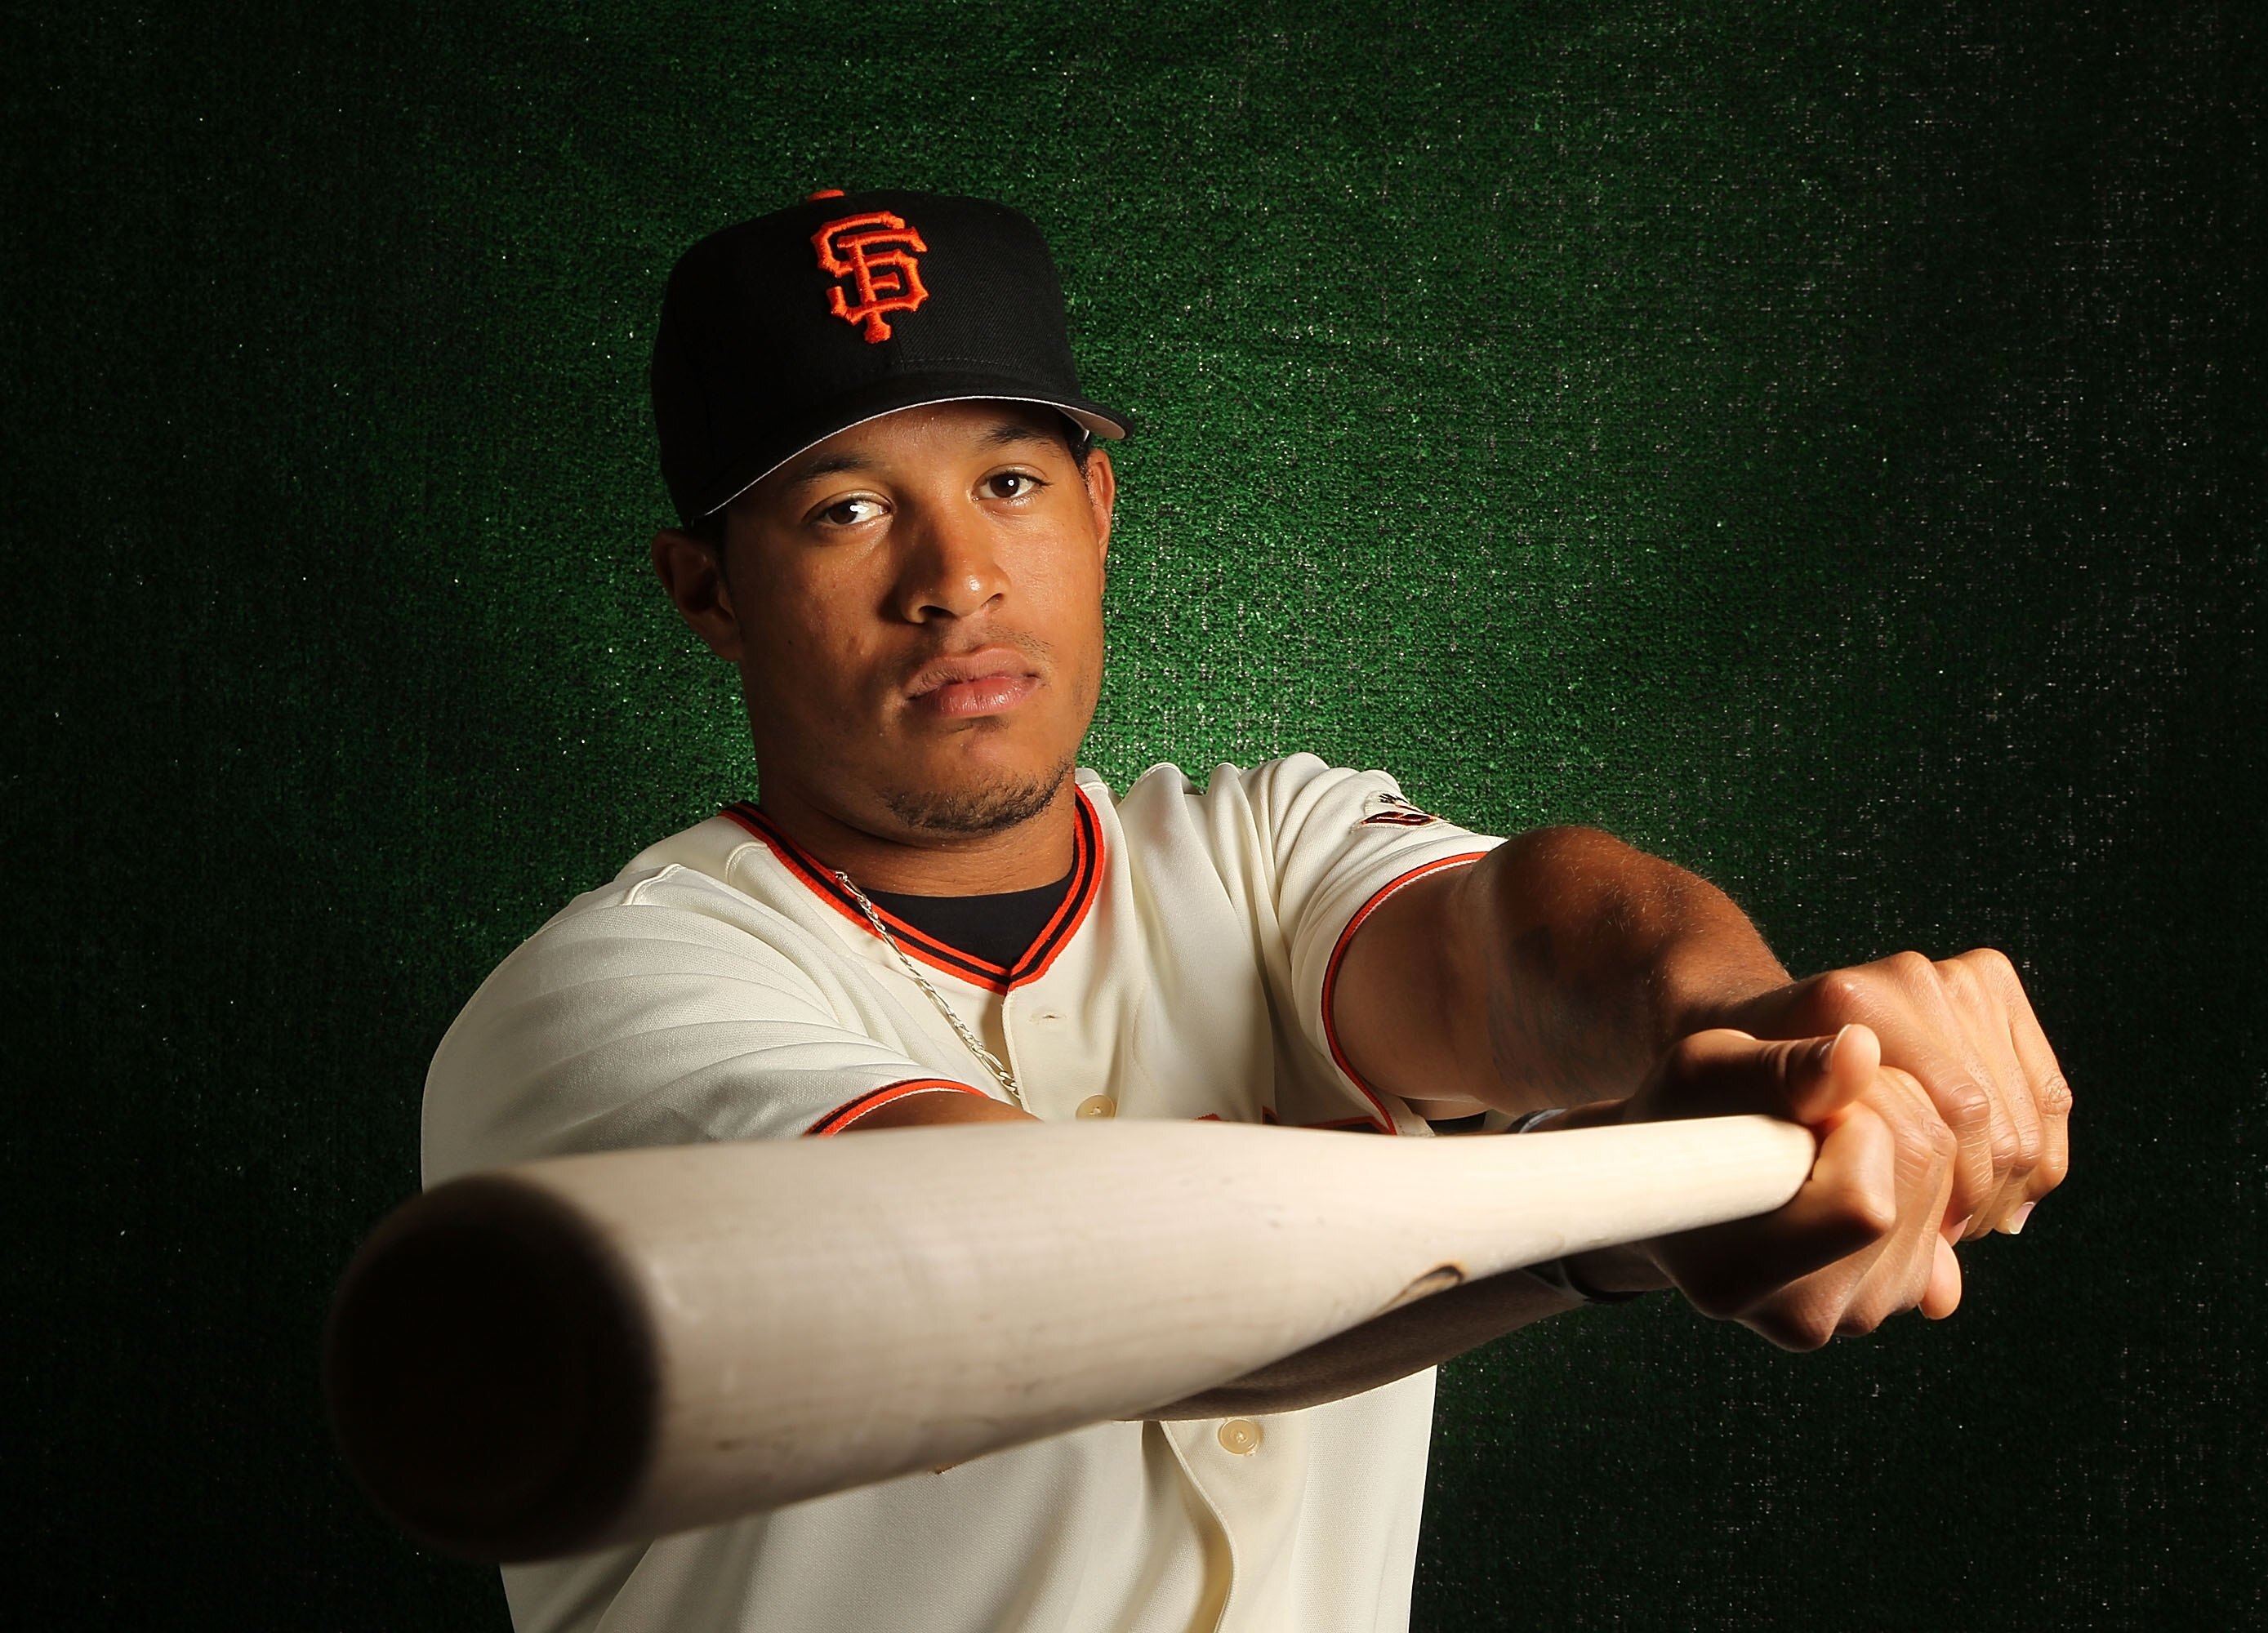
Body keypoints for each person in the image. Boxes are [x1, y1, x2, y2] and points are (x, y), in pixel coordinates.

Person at [424, 189, 2070, 1633]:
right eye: (845, 507)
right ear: (705, 588)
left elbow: (1544, 937)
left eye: (1009, 479)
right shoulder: (601, 1008)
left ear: (1101, 511)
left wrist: (1771, 1042)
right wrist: (1630, 1228)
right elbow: (1042, 1279)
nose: (956, 577)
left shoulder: (1263, 846)